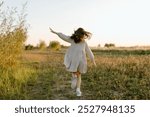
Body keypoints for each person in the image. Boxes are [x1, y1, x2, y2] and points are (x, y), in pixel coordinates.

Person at [49, 27, 96, 96]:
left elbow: (89, 52)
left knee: (79, 75)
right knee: (76, 73)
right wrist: (56, 32)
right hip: (74, 60)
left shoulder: (84, 42)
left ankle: (78, 90)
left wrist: (93, 60)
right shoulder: (72, 40)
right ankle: (74, 78)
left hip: (81, 61)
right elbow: (63, 36)